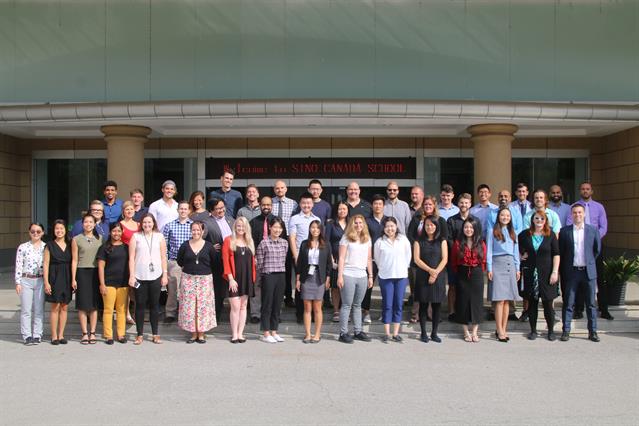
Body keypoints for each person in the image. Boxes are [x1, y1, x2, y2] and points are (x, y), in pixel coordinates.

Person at [567, 182, 611, 320]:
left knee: (599, 278)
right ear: (580, 191)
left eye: (587, 189)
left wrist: (594, 238)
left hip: (595, 246)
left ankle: (603, 309)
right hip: (579, 245)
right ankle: (579, 309)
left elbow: (604, 226)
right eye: (583, 189)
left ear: (591, 191)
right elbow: (569, 223)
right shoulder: (574, 207)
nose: (585, 191)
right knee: (579, 278)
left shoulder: (599, 207)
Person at [559, 204, 601, 342]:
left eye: (580, 212)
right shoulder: (564, 231)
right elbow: (562, 252)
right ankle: (566, 331)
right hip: (572, 272)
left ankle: (593, 331)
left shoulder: (593, 230)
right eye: (575, 213)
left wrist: (588, 263)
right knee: (569, 303)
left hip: (588, 272)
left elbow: (596, 250)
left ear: (584, 214)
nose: (577, 215)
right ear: (571, 215)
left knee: (590, 304)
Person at [518, 210, 560, 341]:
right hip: (530, 273)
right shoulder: (525, 234)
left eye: (542, 219)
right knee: (532, 303)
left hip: (547, 274)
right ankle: (533, 330)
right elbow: (515, 247)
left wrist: (555, 272)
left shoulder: (551, 235)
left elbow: (556, 254)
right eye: (537, 218)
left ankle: (551, 331)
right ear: (532, 220)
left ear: (545, 220)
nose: (539, 221)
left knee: (548, 303)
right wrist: (520, 256)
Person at [128, 213, 168, 345]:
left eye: (149, 222)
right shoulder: (136, 236)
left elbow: (163, 257)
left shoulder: (159, 236)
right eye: (144, 222)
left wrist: (165, 274)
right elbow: (131, 258)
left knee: (154, 306)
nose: (147, 225)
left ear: (153, 223)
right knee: (139, 306)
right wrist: (132, 275)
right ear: (141, 223)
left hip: (156, 276)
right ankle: (139, 334)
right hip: (139, 276)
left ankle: (155, 334)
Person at [407, 195, 448, 323]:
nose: (428, 207)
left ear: (434, 206)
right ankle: (416, 314)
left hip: (435, 259)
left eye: (430, 205)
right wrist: (419, 246)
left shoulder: (440, 220)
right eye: (425, 205)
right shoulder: (416, 219)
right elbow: (411, 235)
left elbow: (444, 237)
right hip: (418, 257)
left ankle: (431, 314)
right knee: (418, 288)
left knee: (433, 288)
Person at [177, 221, 217, 344]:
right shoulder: (185, 245)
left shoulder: (209, 246)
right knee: (190, 306)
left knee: (203, 306)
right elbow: (180, 261)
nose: (196, 232)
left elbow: (215, 262)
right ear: (191, 231)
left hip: (204, 279)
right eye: (193, 230)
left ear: (203, 231)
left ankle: (201, 333)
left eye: (198, 230)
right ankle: (193, 333)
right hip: (188, 278)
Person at [249, 196, 287, 324]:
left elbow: (284, 241)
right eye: (264, 205)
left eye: (268, 205)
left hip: (274, 261)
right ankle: (255, 313)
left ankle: (275, 314)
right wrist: (253, 257)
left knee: (275, 290)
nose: (266, 207)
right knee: (257, 287)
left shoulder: (278, 221)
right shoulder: (254, 222)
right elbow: (250, 241)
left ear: (272, 206)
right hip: (258, 259)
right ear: (260, 205)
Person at [374, 217, 411, 343]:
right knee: (387, 304)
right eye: (387, 226)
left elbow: (408, 257)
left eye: (392, 226)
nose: (390, 229)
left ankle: (396, 333)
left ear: (396, 226)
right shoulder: (379, 242)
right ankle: (387, 333)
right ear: (383, 228)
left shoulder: (403, 240)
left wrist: (402, 269)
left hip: (401, 276)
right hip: (386, 277)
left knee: (398, 304)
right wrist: (385, 269)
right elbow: (377, 260)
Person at [486, 207, 521, 342]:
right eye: (502, 215)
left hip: (510, 264)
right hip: (497, 263)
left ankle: (504, 328)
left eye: (507, 215)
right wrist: (489, 268)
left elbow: (516, 251)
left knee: (507, 300)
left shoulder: (513, 232)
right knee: (499, 300)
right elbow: (489, 250)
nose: (505, 217)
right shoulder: (492, 231)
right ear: (498, 216)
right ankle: (499, 329)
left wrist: (517, 268)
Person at [337, 215, 373, 344]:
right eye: (356, 223)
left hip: (362, 275)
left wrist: (370, 276)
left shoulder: (367, 239)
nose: (358, 225)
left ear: (364, 224)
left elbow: (369, 259)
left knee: (358, 305)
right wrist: (340, 276)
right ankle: (343, 332)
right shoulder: (346, 239)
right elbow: (341, 258)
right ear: (352, 224)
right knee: (347, 305)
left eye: (360, 223)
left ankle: (358, 331)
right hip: (348, 274)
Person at [295, 220, 332, 343]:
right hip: (306, 277)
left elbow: (328, 264)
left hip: (319, 277)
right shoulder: (305, 243)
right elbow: (299, 262)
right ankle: (307, 334)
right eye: (312, 227)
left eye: (317, 228)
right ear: (309, 229)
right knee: (307, 307)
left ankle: (317, 334)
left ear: (321, 230)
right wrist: (298, 279)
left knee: (317, 307)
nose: (315, 230)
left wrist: (328, 278)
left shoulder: (325, 244)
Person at [414, 216, 448, 343]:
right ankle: (423, 333)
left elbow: (445, 259)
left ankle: (434, 333)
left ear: (436, 226)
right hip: (423, 276)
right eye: (427, 225)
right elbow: (417, 259)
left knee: (437, 306)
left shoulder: (442, 240)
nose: (430, 227)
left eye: (432, 225)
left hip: (438, 276)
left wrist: (435, 273)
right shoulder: (418, 241)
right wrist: (430, 271)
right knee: (423, 305)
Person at [451, 217, 486, 343]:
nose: (468, 229)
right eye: (466, 227)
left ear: (475, 229)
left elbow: (484, 260)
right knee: (462, 301)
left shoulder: (480, 243)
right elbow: (454, 261)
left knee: (477, 302)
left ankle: (475, 332)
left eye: (471, 227)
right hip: (462, 273)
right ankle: (466, 331)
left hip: (476, 273)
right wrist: (460, 273)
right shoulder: (457, 243)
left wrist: (480, 271)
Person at [446, 193, 480, 321]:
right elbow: (449, 239)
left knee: (467, 287)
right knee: (453, 285)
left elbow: (478, 239)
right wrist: (460, 251)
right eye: (461, 202)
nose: (464, 205)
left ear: (470, 204)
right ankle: (452, 311)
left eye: (466, 203)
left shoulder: (475, 221)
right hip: (455, 258)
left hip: (470, 261)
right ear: (458, 204)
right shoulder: (451, 220)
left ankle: (467, 312)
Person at [222, 217, 256, 343]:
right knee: (235, 307)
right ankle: (234, 334)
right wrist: (230, 278)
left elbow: (252, 261)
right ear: (235, 227)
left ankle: (241, 333)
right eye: (238, 226)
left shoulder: (249, 241)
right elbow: (225, 261)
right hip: (234, 279)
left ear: (246, 228)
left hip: (247, 278)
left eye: (243, 226)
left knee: (243, 306)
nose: (241, 228)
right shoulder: (228, 240)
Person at [255, 216, 289, 343]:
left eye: (280, 228)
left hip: (281, 275)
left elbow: (284, 260)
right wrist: (260, 279)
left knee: (277, 304)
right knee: (267, 304)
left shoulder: (284, 243)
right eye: (275, 227)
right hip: (268, 275)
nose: (277, 230)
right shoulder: (264, 243)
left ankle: (274, 331)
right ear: (270, 227)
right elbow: (259, 264)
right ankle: (266, 332)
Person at [289, 192, 321, 323]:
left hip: (315, 257)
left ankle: (313, 314)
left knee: (313, 284)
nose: (306, 205)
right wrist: (295, 256)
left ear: (312, 204)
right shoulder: (295, 218)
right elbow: (292, 237)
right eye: (303, 203)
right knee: (300, 285)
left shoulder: (317, 219)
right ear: (300, 204)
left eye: (308, 203)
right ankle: (300, 314)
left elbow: (320, 238)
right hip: (300, 257)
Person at [71, 214, 103, 344]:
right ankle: (84, 333)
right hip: (82, 272)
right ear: (82, 224)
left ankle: (93, 332)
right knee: (83, 305)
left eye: (91, 222)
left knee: (94, 305)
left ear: (95, 224)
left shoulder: (100, 238)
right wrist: (73, 278)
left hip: (96, 272)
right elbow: (74, 260)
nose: (88, 224)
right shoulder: (76, 239)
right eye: (86, 222)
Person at [97, 222, 130, 344]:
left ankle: (121, 334)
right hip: (108, 283)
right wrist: (102, 284)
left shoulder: (126, 247)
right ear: (110, 232)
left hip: (123, 283)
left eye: (119, 231)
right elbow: (101, 267)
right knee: (108, 309)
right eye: (114, 231)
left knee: (122, 310)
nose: (117, 233)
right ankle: (108, 335)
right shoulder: (104, 247)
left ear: (122, 232)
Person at [202, 198, 234, 319]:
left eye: (222, 207)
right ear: (211, 210)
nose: (221, 210)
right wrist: (210, 246)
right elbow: (199, 240)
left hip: (232, 260)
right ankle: (216, 316)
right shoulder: (206, 223)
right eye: (218, 209)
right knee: (218, 290)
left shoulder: (231, 220)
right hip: (216, 261)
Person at [15, 223, 46, 345]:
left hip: (40, 280)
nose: (35, 234)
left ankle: (37, 334)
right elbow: (19, 264)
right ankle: (27, 335)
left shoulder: (46, 247)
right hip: (26, 280)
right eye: (33, 231)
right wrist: (18, 282)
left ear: (42, 233)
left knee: (39, 309)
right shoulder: (23, 247)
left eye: (38, 231)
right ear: (29, 232)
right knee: (26, 309)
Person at [162, 201, 193, 324]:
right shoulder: (169, 226)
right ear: (178, 210)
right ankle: (170, 313)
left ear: (189, 211)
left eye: (186, 209)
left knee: (187, 290)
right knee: (173, 289)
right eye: (181, 208)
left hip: (189, 262)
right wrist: (166, 261)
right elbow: (165, 245)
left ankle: (185, 313)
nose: (183, 211)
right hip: (174, 262)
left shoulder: (193, 225)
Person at [43, 220, 72, 345]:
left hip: (67, 276)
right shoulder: (49, 245)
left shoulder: (70, 244)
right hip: (54, 277)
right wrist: (46, 282)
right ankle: (54, 335)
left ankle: (61, 335)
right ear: (53, 231)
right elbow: (45, 264)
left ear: (65, 230)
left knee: (64, 307)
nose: (59, 231)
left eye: (61, 228)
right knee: (55, 307)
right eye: (57, 229)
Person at [272, 180, 298, 308]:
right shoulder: (270, 203)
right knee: (276, 268)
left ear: (286, 189)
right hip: (274, 238)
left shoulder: (293, 204)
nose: (280, 190)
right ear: (274, 189)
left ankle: (289, 297)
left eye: (282, 188)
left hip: (288, 237)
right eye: (277, 188)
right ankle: (277, 296)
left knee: (288, 268)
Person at [364, 194, 388, 324]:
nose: (377, 206)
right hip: (371, 259)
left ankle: (384, 312)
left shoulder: (388, 221)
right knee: (369, 286)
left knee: (385, 288)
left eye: (380, 204)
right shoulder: (367, 221)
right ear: (372, 206)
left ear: (383, 206)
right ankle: (366, 312)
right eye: (375, 204)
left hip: (385, 260)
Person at [325, 201, 349, 323]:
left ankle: (346, 310)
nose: (342, 211)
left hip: (350, 260)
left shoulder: (351, 224)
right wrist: (330, 259)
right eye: (340, 209)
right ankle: (336, 310)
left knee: (347, 286)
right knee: (335, 286)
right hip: (335, 258)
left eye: (344, 209)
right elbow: (327, 242)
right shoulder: (331, 224)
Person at [119, 200, 139, 325]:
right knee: (126, 287)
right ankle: (126, 313)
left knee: (136, 288)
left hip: (138, 259)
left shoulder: (138, 224)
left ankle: (136, 312)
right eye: (127, 209)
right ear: (123, 211)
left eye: (131, 209)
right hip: (124, 258)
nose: (129, 211)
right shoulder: (120, 225)